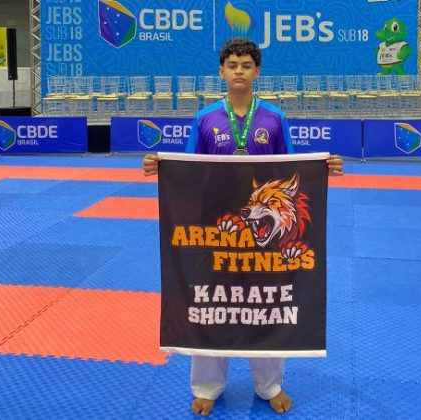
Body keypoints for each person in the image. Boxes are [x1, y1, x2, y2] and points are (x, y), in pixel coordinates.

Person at [143, 38, 343, 416]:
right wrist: (162, 166)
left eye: (246, 65)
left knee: (266, 303)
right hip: (217, 229)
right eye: (232, 65)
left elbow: (290, 171)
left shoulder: (274, 118)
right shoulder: (205, 118)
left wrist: (324, 167)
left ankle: (270, 385)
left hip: (262, 234)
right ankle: (207, 386)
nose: (239, 70)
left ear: (257, 72)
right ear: (221, 72)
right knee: (209, 302)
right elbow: (189, 167)